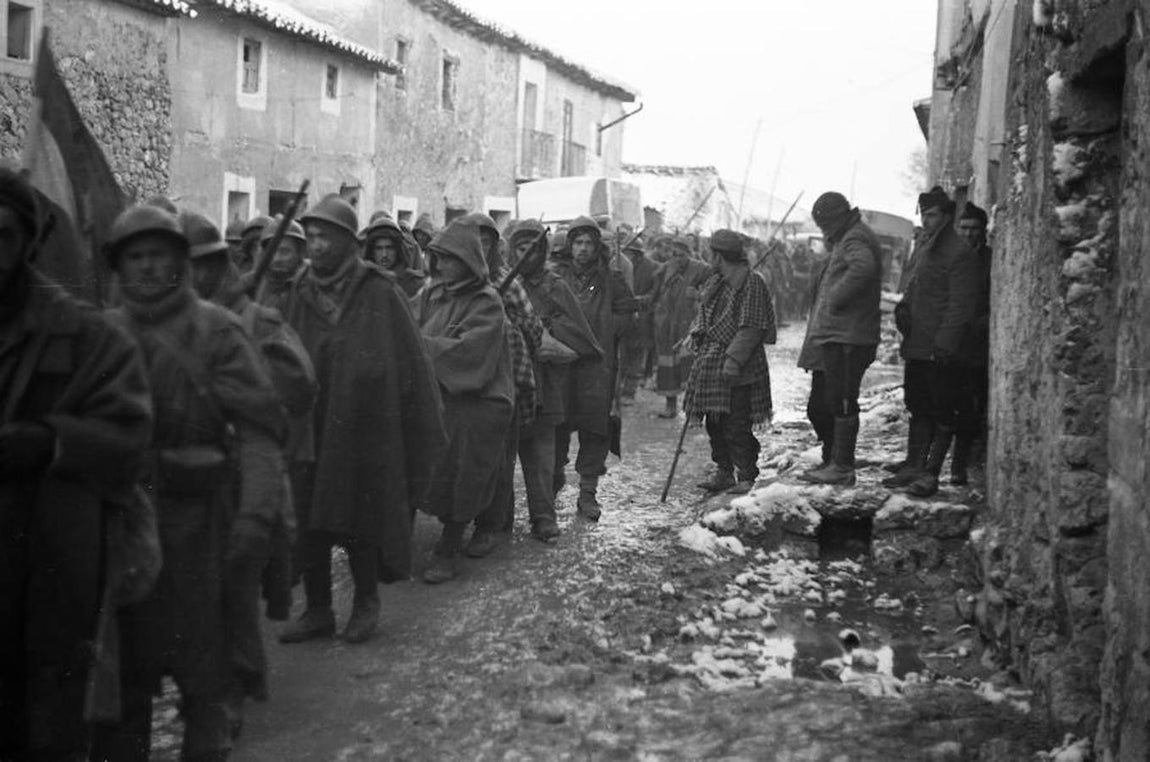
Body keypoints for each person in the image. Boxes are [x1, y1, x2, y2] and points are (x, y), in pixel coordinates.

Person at [93, 203, 286, 762]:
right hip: (123, 530)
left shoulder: (218, 331)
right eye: (136, 258)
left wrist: (255, 518)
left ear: (181, 262)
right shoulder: (100, 335)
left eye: (159, 256)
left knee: (207, 682)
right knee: (120, 687)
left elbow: (259, 431)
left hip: (201, 529)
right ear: (119, 266)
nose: (148, 269)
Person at [0, 169, 152, 762]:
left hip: (47, 556)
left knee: (49, 710)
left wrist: (50, 439)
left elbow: (130, 434)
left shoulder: (86, 333)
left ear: (31, 244)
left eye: (3, 236)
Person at [279, 194, 445, 643]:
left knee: (360, 518)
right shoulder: (300, 289)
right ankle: (317, 610)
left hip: (364, 428)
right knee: (310, 518)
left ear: (347, 242)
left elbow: (410, 362)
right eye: (309, 237)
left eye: (324, 237)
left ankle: (366, 603)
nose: (314, 246)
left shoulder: (378, 289)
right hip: (312, 425)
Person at [182, 210, 317, 734]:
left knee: (233, 590)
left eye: (201, 266)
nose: (191, 278)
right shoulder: (171, 321)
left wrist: (250, 383)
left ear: (220, 265)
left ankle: (231, 688)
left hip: (244, 475)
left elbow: (300, 386)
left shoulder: (259, 320)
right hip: (184, 480)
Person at [412, 221, 514, 582]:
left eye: (450, 259)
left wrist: (422, 346)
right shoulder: (431, 294)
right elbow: (406, 324)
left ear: (468, 261)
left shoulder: (486, 300)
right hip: (437, 389)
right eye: (438, 258)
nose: (441, 266)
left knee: (461, 454)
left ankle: (450, 543)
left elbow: (471, 355)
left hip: (480, 396)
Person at [506, 220, 602, 541]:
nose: (527, 256)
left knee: (541, 456)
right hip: (505, 380)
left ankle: (543, 517)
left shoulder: (555, 286)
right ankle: (496, 521)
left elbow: (580, 337)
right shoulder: (503, 284)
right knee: (499, 457)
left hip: (544, 384)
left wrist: (545, 333)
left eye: (533, 249)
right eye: (521, 249)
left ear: (543, 251)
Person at [455, 212, 543, 557]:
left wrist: (502, 322)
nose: (480, 247)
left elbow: (533, 330)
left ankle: (491, 525)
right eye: (474, 239)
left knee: (498, 458)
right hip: (462, 379)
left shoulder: (508, 281)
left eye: (487, 241)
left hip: (500, 379)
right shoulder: (453, 281)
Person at [884, 187, 979, 497]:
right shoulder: (926, 247)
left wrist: (945, 344)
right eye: (924, 214)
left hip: (941, 349)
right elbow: (915, 287)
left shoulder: (959, 252)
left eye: (933, 214)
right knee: (918, 405)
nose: (927, 220)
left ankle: (931, 472)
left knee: (942, 410)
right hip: (918, 343)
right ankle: (914, 464)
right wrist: (903, 308)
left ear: (947, 216)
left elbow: (960, 305)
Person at [551, 216, 637, 520]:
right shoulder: (556, 276)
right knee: (557, 424)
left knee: (594, 428)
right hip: (562, 365)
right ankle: (552, 484)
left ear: (596, 246)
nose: (583, 249)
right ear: (570, 246)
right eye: (578, 243)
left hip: (597, 367)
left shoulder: (610, 278)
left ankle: (587, 494)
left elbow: (627, 310)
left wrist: (604, 329)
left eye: (589, 243)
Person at [796, 192, 884, 486]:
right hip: (842, 335)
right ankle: (834, 460)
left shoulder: (853, 238)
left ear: (833, 219)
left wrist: (835, 298)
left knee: (843, 401)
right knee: (833, 400)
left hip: (849, 336)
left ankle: (842, 466)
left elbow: (863, 268)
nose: (823, 231)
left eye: (823, 224)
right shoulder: (849, 236)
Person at [686, 229, 776, 495]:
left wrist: (733, 360)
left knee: (737, 422)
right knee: (715, 421)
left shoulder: (752, 283)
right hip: (712, 362)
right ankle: (724, 471)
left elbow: (752, 327)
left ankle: (746, 475)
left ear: (718, 255)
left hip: (741, 366)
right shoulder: (719, 282)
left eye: (711, 253)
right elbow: (706, 316)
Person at [952, 201, 992, 485]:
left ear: (983, 231)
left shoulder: (991, 260)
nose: (968, 234)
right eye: (964, 228)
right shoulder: (951, 258)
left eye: (974, 229)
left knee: (969, 406)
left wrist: (982, 322)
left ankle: (960, 464)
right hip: (950, 342)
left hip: (977, 346)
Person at [652, 236, 710, 418]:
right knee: (667, 366)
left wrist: (700, 295)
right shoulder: (665, 269)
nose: (678, 258)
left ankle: (696, 410)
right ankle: (670, 407)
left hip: (689, 327)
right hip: (667, 327)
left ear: (689, 254)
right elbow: (654, 293)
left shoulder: (702, 269)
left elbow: (717, 287)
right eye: (674, 254)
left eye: (682, 254)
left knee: (692, 368)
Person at [619, 235, 659, 404]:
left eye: (631, 253)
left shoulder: (652, 268)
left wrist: (643, 300)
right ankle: (618, 389)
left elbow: (656, 292)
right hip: (622, 316)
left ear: (637, 254)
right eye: (626, 252)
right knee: (621, 355)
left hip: (642, 317)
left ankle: (629, 391)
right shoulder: (618, 265)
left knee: (636, 355)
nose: (628, 256)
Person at [361, 211, 426, 298]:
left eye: (389, 248)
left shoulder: (414, 284)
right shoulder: (361, 283)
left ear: (398, 250)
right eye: (379, 249)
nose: (384, 255)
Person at [253, 216, 307, 311]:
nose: (276, 259)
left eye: (285, 252)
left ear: (299, 254)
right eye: (272, 252)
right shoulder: (255, 284)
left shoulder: (311, 286)